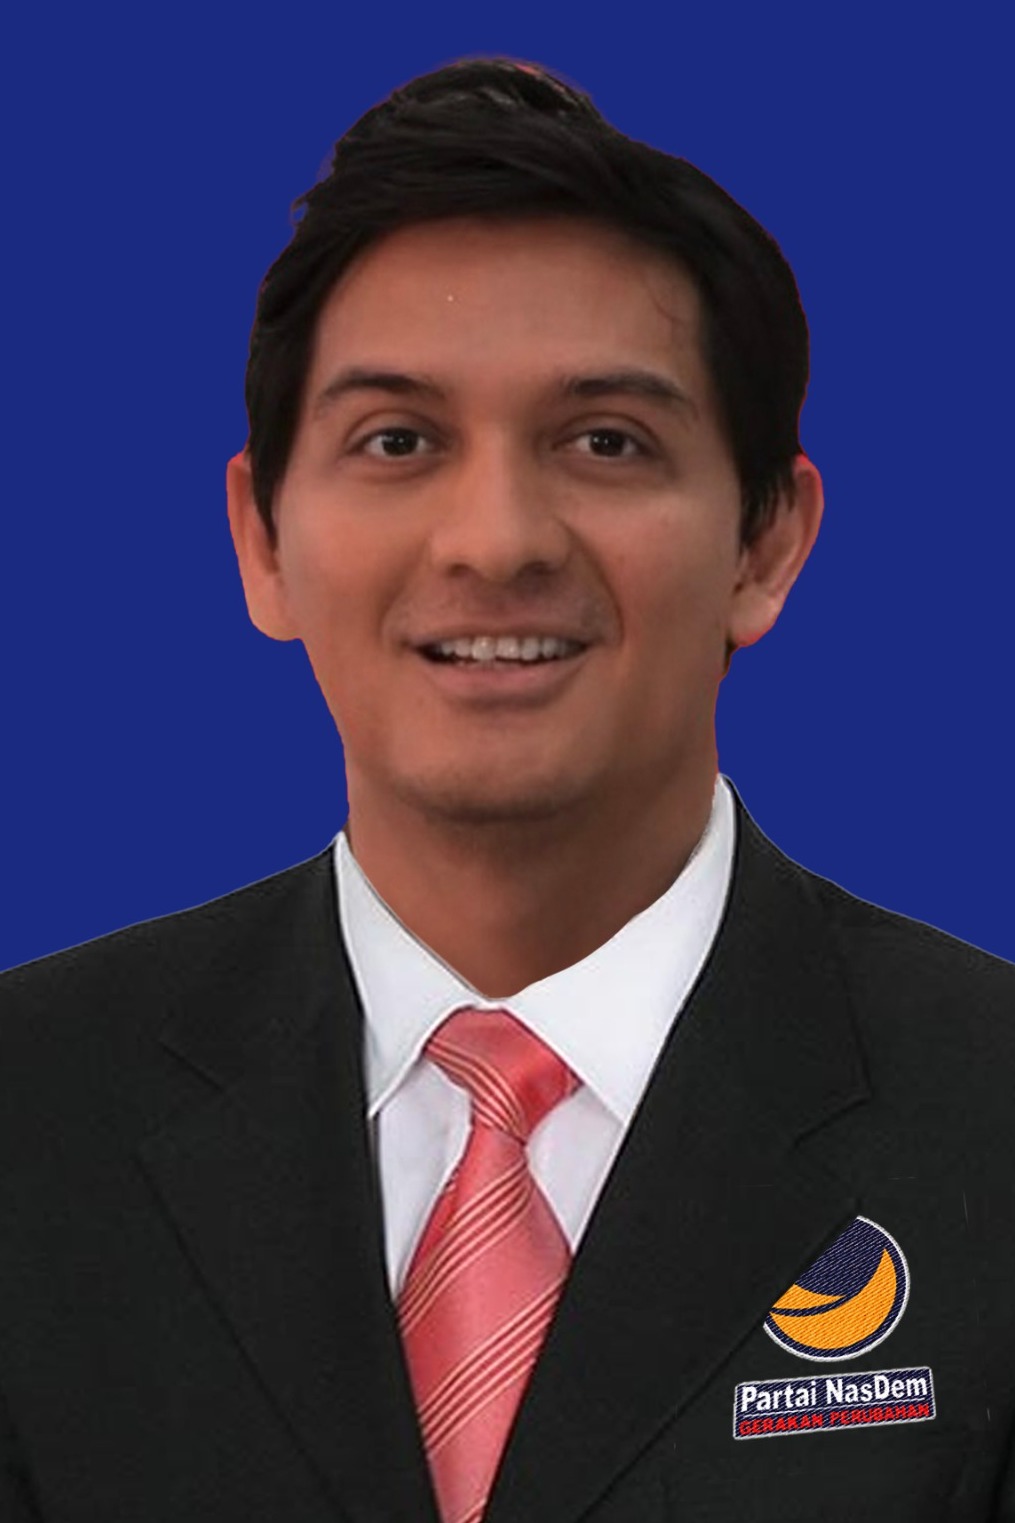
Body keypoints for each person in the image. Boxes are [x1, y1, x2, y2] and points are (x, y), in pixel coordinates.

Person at [0, 55, 1012, 1523]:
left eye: (606, 442)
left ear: (766, 544)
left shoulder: (989, 1115)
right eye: (398, 441)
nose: (495, 539)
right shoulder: (30, 1123)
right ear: (262, 540)